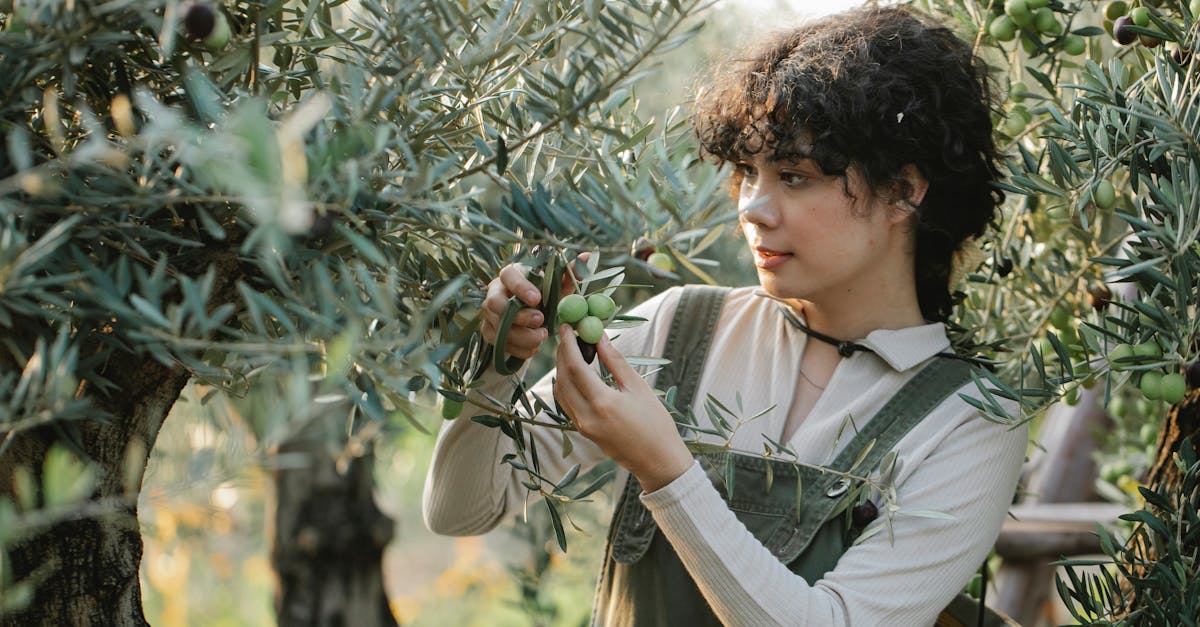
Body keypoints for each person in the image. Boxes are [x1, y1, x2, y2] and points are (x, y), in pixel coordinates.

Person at [423, 6, 1027, 625]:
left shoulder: (971, 422)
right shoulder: (679, 327)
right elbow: (462, 512)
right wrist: (498, 367)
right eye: (746, 173)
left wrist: (665, 468)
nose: (753, 208)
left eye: (793, 176)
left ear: (903, 190)